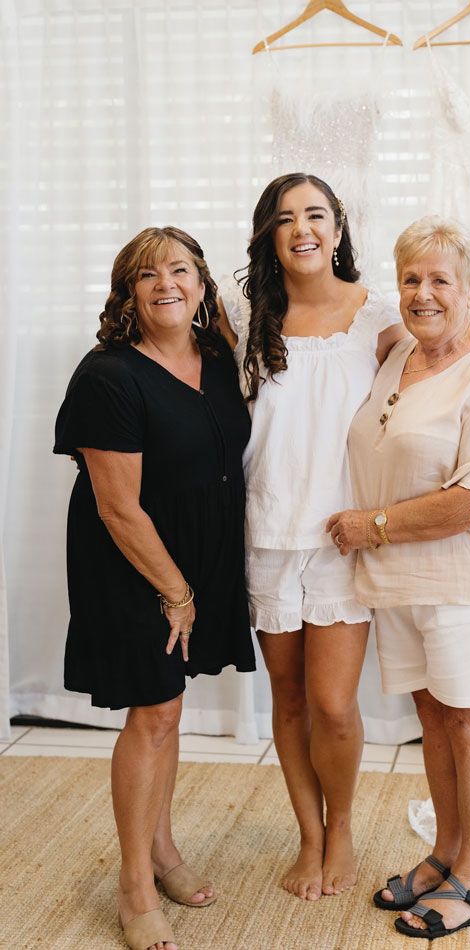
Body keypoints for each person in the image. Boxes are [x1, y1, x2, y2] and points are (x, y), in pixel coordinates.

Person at [327, 215, 470, 940]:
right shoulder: (401, 356)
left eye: (440, 279)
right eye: (411, 278)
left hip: (464, 581)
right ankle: (445, 854)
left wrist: (370, 525)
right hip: (400, 583)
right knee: (434, 722)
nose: (422, 293)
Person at [54, 226, 255, 950]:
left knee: (168, 711)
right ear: (127, 293)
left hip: (194, 559)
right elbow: (116, 506)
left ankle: (163, 852)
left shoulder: (215, 355)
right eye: (147, 275)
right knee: (153, 715)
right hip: (134, 562)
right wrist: (176, 591)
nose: (165, 283)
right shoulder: (108, 375)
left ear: (202, 285)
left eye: (179, 270)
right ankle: (135, 887)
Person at [217, 173, 405, 901]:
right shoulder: (242, 316)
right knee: (288, 701)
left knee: (333, 704)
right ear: (268, 233)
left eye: (316, 215)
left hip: (341, 535)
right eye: (286, 217)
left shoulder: (375, 316)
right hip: (265, 533)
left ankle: (345, 827)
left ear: (337, 228)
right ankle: (309, 835)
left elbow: (441, 365)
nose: (303, 228)